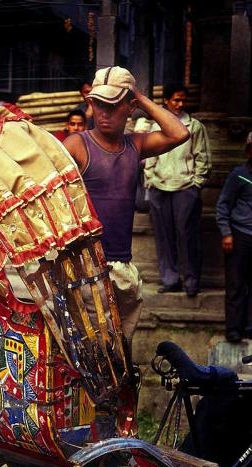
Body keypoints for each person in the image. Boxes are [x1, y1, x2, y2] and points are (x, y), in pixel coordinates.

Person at [64, 66, 189, 343]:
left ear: (130, 107)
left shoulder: (135, 145)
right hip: (86, 267)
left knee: (121, 350)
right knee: (93, 353)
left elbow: (179, 133)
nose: (104, 113)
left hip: (122, 267)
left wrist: (140, 98)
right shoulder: (77, 145)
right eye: (99, 104)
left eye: (113, 105)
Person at [144, 83, 211, 297]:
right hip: (159, 186)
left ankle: (191, 281)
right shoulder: (156, 126)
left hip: (185, 187)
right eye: (176, 100)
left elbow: (202, 157)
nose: (180, 104)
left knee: (187, 235)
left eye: (183, 100)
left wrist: (196, 183)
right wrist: (150, 179)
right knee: (164, 236)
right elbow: (150, 155)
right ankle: (170, 280)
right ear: (166, 101)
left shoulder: (194, 126)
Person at [216, 133, 252, 343]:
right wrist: (226, 233)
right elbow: (223, 205)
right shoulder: (239, 175)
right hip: (240, 236)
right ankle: (233, 329)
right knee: (236, 284)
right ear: (248, 151)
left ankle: (249, 327)